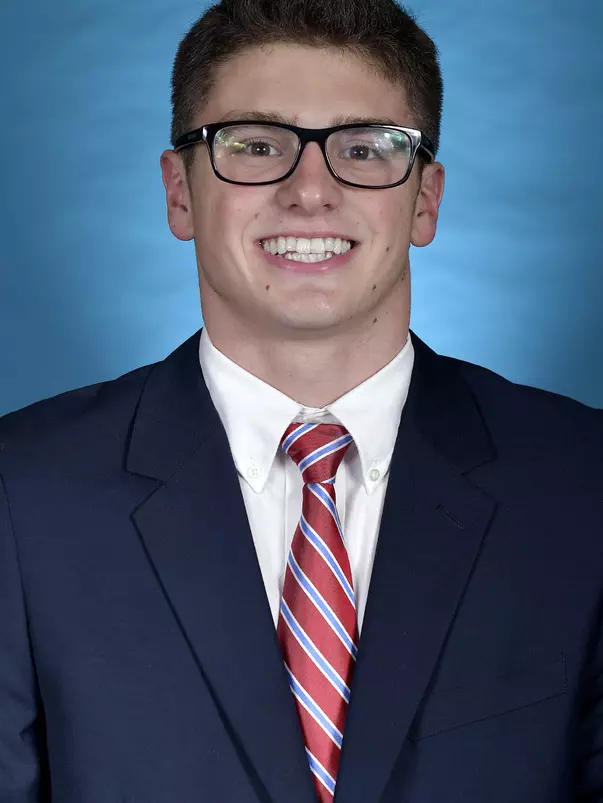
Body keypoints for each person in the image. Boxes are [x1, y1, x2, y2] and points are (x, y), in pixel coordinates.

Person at [1, 0, 602, 800]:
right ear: (179, 192)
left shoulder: (581, 483)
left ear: (424, 200)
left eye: (364, 147)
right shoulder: (21, 493)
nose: (309, 190)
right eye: (254, 145)